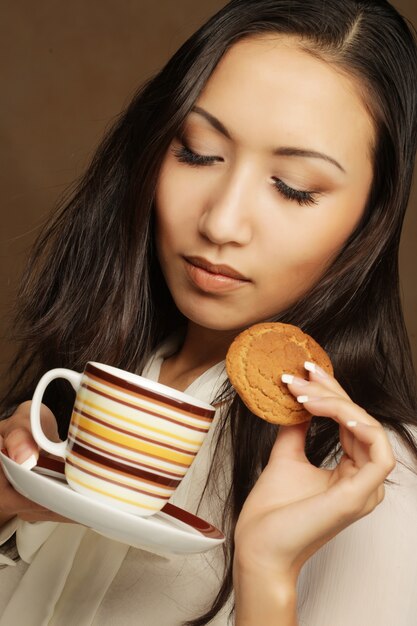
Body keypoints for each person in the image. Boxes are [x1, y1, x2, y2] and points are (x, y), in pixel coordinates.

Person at [1, 0, 417, 624]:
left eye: (294, 186)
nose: (221, 222)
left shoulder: (376, 490)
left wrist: (268, 576)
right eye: (197, 152)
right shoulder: (88, 383)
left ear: (370, 223)